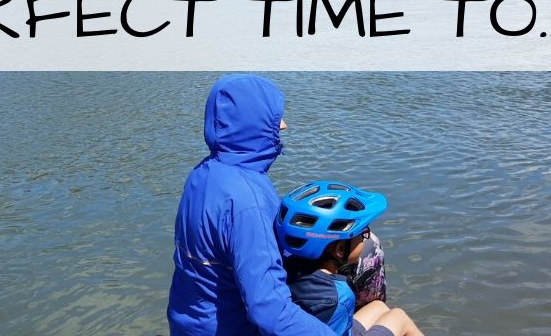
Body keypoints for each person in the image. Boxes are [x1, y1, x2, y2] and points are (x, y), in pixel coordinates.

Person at [168, 74, 336, 335]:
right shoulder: (247, 201)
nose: (283, 125)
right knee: (360, 305)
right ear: (252, 124)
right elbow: (269, 311)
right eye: (274, 118)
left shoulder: (203, 174)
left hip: (189, 326)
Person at [277, 181, 425, 336]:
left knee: (378, 307)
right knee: (399, 317)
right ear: (340, 249)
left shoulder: (287, 266)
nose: (365, 239)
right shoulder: (340, 296)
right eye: (362, 234)